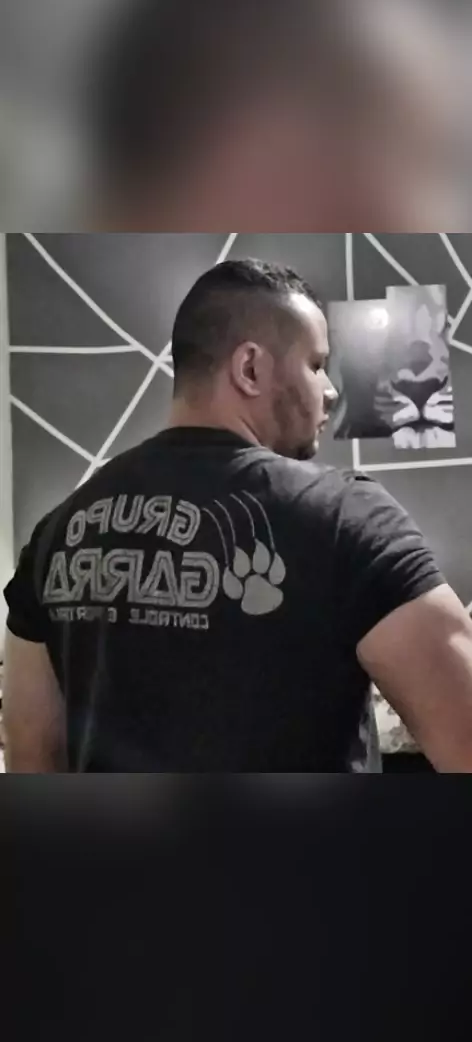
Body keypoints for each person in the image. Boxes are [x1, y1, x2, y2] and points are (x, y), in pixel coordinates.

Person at [3, 259, 472, 772]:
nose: (330, 390)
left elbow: (30, 749)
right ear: (250, 369)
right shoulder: (346, 520)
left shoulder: (59, 532)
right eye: (316, 364)